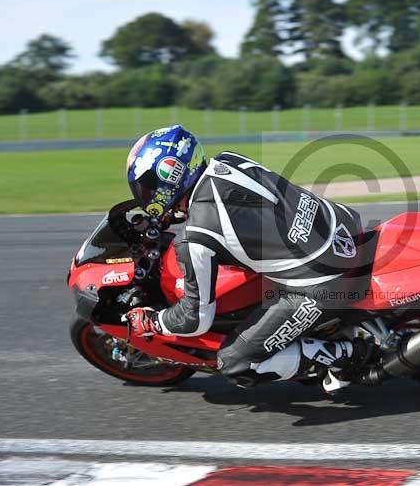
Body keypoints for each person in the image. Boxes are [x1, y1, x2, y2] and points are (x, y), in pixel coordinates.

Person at [122, 125, 372, 392]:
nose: (148, 196)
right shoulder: (229, 160)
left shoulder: (195, 236)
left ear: (168, 177)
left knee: (235, 363)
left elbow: (195, 319)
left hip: (325, 282)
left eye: (149, 187)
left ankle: (346, 355)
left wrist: (153, 321)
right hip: (343, 224)